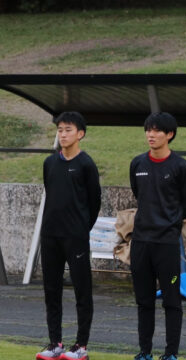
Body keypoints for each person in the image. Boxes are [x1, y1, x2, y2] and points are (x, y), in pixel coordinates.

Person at [129, 112, 186, 360]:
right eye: (148, 130)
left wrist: (170, 224)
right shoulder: (137, 164)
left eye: (157, 131)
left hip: (167, 244)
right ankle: (144, 352)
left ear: (170, 135)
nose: (151, 135)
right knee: (144, 301)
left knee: (171, 301)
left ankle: (170, 354)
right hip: (141, 242)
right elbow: (139, 195)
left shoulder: (180, 167)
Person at [37, 111, 101, 360]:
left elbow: (94, 202)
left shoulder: (86, 164)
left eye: (68, 130)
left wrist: (80, 228)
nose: (63, 134)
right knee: (51, 291)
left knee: (82, 291)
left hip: (75, 237)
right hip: (50, 235)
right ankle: (55, 343)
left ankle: (81, 346)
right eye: (60, 130)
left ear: (80, 134)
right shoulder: (49, 163)